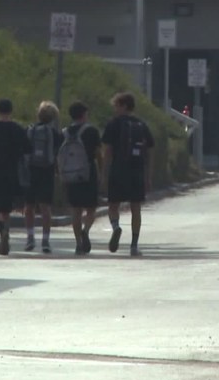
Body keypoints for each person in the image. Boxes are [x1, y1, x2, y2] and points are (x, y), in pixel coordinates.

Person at [101, 92, 154, 257]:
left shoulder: (113, 124)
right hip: (136, 170)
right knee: (135, 208)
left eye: (116, 105)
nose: (115, 109)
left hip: (118, 169)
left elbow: (108, 151)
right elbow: (149, 152)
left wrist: (104, 172)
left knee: (113, 205)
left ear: (124, 106)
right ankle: (134, 245)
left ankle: (116, 227)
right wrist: (148, 175)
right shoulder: (141, 125)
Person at [0, 99, 31, 255]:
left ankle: (1, 229)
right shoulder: (18, 129)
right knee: (7, 207)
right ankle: (6, 228)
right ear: (11, 111)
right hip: (13, 171)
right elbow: (27, 148)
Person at [60, 101, 102, 255]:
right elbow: (98, 153)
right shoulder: (91, 131)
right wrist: (102, 171)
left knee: (75, 211)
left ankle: (78, 242)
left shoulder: (64, 132)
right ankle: (86, 230)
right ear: (84, 114)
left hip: (71, 175)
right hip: (88, 173)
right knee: (91, 208)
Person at [24, 101, 64, 253]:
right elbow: (57, 153)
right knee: (45, 207)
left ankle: (30, 238)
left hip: (31, 171)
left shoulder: (29, 130)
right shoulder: (55, 134)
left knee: (29, 207)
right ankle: (45, 240)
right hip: (47, 172)